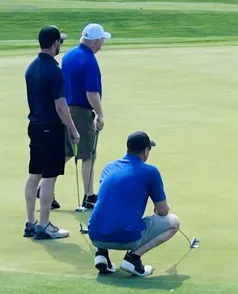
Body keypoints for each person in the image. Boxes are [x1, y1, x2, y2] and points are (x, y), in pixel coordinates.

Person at [87, 131, 180, 277]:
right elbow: (162, 211)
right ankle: (133, 259)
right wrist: (163, 209)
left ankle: (102, 254)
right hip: (127, 238)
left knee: (108, 211)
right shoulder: (150, 171)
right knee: (174, 222)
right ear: (145, 151)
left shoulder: (109, 167)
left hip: (95, 235)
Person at [24, 26, 80, 240]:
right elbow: (60, 106)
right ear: (54, 43)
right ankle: (45, 225)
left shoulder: (31, 68)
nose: (60, 46)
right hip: (51, 128)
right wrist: (73, 130)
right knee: (48, 176)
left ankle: (31, 222)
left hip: (35, 126)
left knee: (34, 173)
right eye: (60, 43)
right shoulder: (54, 71)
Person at [62, 23, 111, 209]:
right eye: (102, 41)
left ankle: (43, 187)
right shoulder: (89, 61)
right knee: (88, 153)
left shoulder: (69, 55)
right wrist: (100, 115)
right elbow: (92, 93)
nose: (103, 44)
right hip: (81, 111)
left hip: (65, 109)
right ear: (96, 42)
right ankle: (89, 196)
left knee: (66, 151)